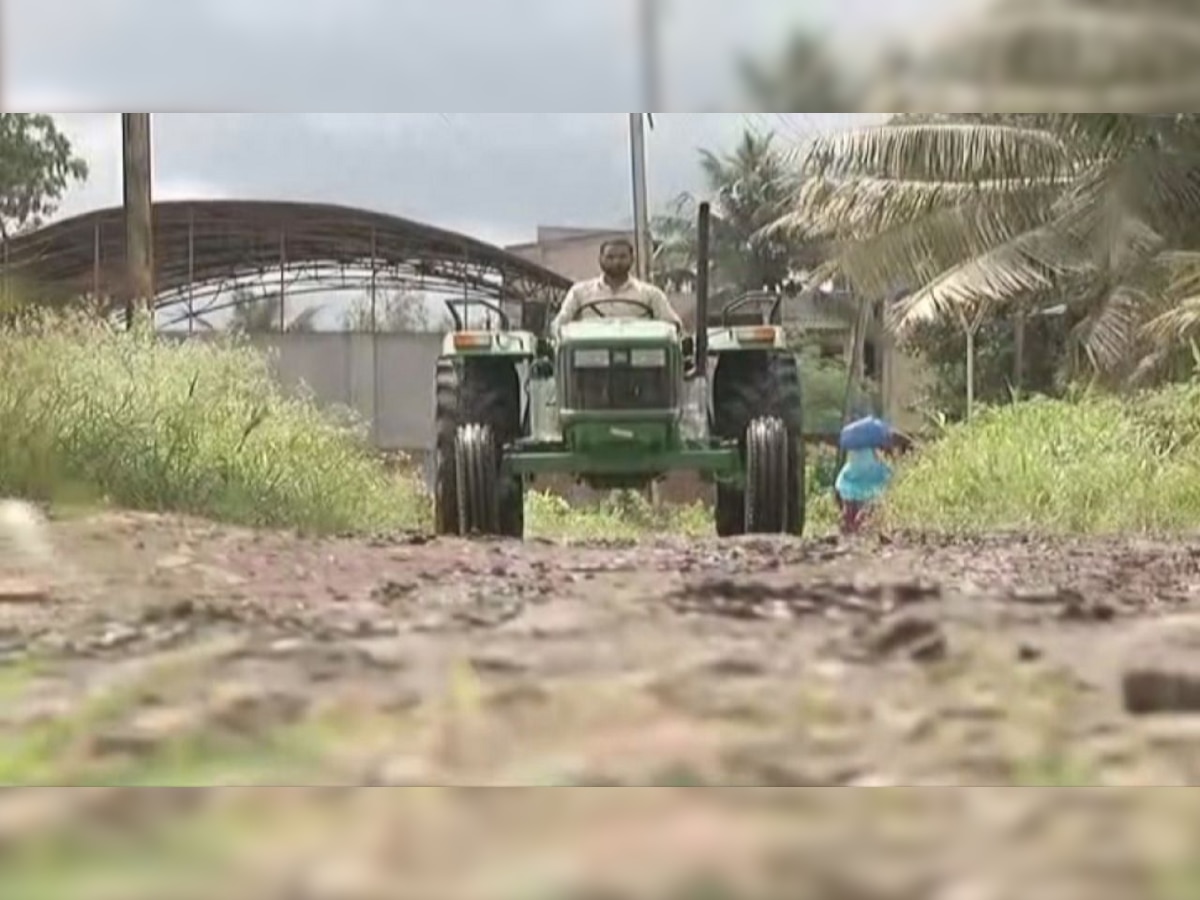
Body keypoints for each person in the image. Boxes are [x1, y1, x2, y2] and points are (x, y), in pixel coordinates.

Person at [549, 237, 683, 338]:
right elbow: (559, 326)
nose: (616, 262)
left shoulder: (650, 294)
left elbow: (672, 327)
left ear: (632, 259)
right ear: (600, 259)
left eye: (622, 257)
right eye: (610, 257)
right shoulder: (579, 293)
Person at [835, 444, 893, 536]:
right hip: (868, 480)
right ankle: (859, 526)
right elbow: (877, 460)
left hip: (851, 480)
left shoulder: (853, 444)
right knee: (865, 508)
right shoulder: (871, 446)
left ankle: (848, 526)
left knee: (849, 508)